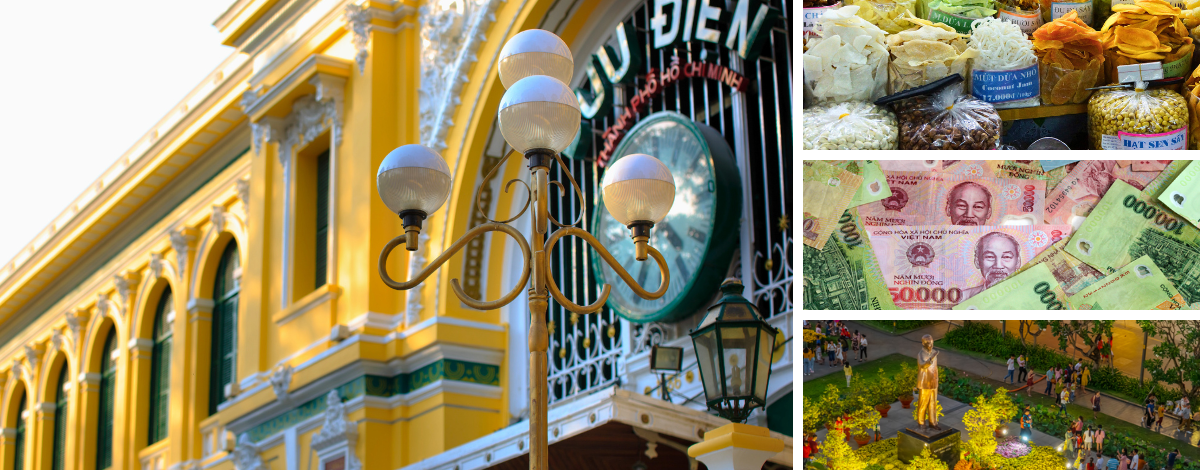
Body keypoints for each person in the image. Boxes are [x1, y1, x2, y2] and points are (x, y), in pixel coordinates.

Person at [962, 231, 1021, 300]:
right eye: (990, 257)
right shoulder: (963, 298)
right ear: (977, 261)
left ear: (1018, 262)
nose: (998, 266)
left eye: (1006, 257)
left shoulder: (1027, 295)